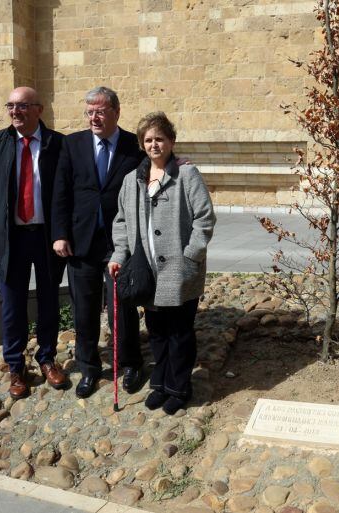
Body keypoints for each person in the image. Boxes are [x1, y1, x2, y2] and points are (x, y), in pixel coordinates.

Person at [108, 112, 215, 415]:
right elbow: (121, 221)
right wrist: (119, 256)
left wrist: (190, 257)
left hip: (180, 271)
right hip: (148, 272)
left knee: (179, 331)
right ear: (142, 145)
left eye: (160, 138)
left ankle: (179, 387)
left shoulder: (186, 174)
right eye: (148, 140)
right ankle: (161, 384)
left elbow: (204, 219)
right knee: (156, 330)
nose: (154, 144)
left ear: (171, 141)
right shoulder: (132, 180)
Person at [52, 86, 147, 399]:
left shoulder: (135, 145)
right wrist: (60, 234)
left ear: (116, 112)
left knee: (123, 304)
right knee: (85, 309)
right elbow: (61, 192)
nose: (94, 117)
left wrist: (179, 164)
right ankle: (89, 368)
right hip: (81, 241)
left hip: (121, 241)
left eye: (101, 111)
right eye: (89, 111)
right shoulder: (72, 144)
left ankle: (131, 363)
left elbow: (156, 171)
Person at [0, 86, 68, 400]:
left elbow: (66, 194)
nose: (15, 111)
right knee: (12, 306)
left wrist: (62, 233)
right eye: (11, 105)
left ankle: (47, 358)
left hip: (45, 237)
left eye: (23, 106)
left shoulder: (58, 144)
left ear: (38, 109)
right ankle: (16, 366)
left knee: (48, 301)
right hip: (9, 239)